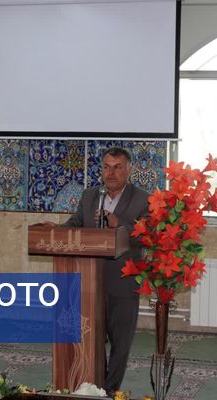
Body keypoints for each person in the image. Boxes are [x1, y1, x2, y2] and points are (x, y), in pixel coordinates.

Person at [62, 147, 149, 394]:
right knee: (91, 339)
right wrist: (55, 229)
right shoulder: (90, 195)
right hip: (90, 280)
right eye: (107, 167)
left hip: (123, 282)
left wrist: (119, 223)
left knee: (121, 343)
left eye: (118, 167)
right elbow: (76, 224)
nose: (111, 173)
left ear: (129, 170)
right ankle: (95, 386)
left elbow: (147, 236)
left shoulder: (143, 199)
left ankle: (110, 391)